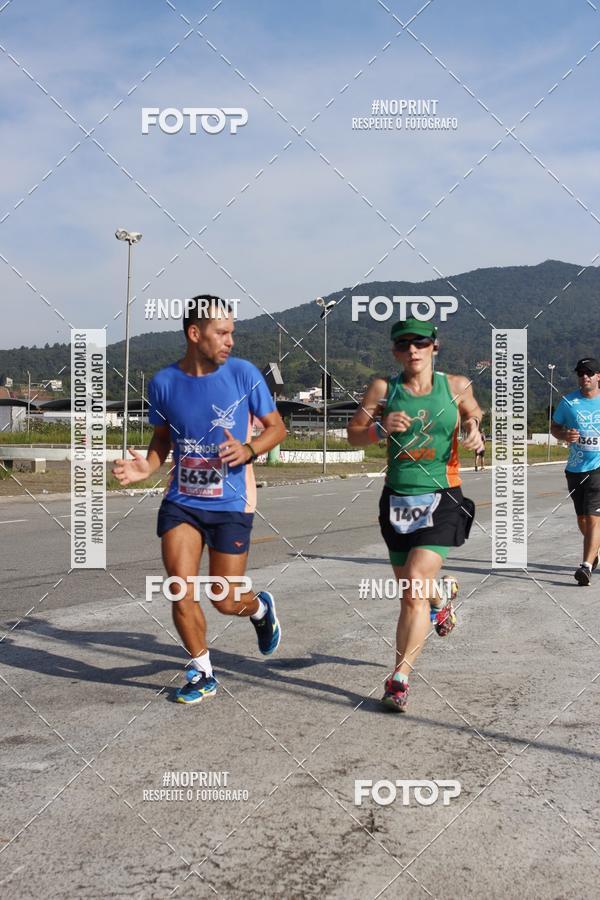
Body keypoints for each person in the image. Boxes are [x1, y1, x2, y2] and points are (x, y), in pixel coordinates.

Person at [112, 295, 287, 703]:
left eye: (232, 333)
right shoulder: (163, 383)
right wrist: (147, 468)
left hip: (230, 503)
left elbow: (277, 428)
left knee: (224, 598)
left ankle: (259, 608)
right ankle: (202, 670)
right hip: (182, 502)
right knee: (180, 587)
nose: (230, 341)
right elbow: (162, 439)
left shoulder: (244, 375)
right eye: (221, 333)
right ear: (195, 334)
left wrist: (249, 450)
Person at [347, 317, 483, 713]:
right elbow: (353, 433)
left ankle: (399, 678)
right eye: (404, 345)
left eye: (420, 343)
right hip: (397, 501)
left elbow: (475, 412)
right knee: (417, 590)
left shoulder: (454, 385)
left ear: (433, 347)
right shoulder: (383, 390)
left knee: (412, 587)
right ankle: (440, 602)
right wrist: (378, 429)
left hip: (443, 496)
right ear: (395, 352)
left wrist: (474, 430)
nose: (413, 351)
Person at [551, 357, 600, 586]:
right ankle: (595, 550)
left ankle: (586, 566)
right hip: (575, 469)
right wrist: (564, 436)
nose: (584, 377)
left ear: (598, 376)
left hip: (598, 469)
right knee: (582, 519)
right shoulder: (568, 402)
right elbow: (555, 427)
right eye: (581, 373)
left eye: (589, 372)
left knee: (593, 517)